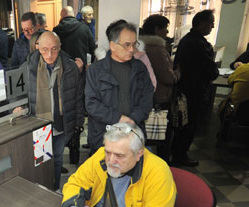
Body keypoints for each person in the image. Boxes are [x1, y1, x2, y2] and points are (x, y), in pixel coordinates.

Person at [62, 122, 176, 207]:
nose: (111, 161)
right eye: (108, 152)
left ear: (138, 154)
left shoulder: (158, 172)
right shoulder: (100, 156)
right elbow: (75, 183)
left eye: (119, 155)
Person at [21, 31, 85, 190]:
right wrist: (18, 106)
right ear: (38, 47)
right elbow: (17, 93)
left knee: (57, 159)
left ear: (60, 47)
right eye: (45, 50)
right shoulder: (28, 67)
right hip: (39, 125)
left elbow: (78, 97)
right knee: (41, 161)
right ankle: (42, 190)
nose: (49, 55)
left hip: (61, 124)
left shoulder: (70, 68)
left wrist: (78, 123)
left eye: (54, 49)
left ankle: (54, 188)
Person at [85, 20, 153, 151]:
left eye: (134, 44)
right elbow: (91, 104)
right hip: (104, 135)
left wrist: (133, 119)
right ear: (113, 45)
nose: (132, 49)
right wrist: (118, 118)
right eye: (127, 45)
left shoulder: (140, 68)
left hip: (133, 133)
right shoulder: (96, 70)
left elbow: (147, 98)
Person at [172, 9, 219, 167]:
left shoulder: (188, 40)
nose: (212, 26)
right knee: (189, 124)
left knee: (183, 124)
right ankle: (180, 155)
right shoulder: (197, 44)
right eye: (211, 23)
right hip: (193, 90)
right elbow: (211, 70)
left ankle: (177, 152)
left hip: (186, 88)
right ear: (201, 23)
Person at [140, 14, 179, 161]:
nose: (167, 32)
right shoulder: (156, 50)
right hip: (160, 97)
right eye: (165, 28)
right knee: (163, 137)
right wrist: (178, 73)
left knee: (145, 136)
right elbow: (168, 78)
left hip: (144, 98)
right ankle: (162, 167)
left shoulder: (141, 47)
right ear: (157, 29)